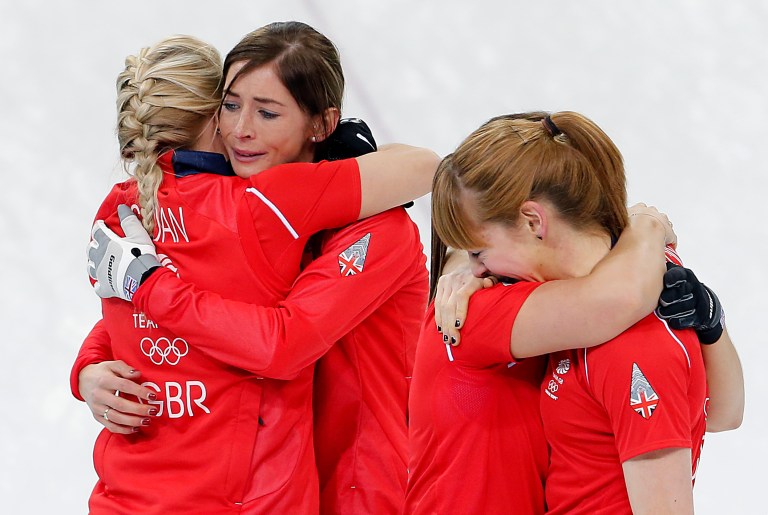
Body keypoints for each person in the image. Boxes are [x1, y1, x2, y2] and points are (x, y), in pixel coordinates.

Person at [73, 27, 435, 514]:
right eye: (229, 105)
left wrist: (149, 286)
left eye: (266, 112)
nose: (240, 129)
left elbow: (280, 342)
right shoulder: (242, 210)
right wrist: (91, 369)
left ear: (321, 124)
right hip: (277, 487)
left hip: (354, 490)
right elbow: (160, 306)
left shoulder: (374, 230)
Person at [407, 112, 743, 514]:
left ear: (534, 221)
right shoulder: (628, 275)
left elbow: (718, 417)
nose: (479, 271)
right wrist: (648, 225)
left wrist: (710, 325)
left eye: (479, 253)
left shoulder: (630, 328)